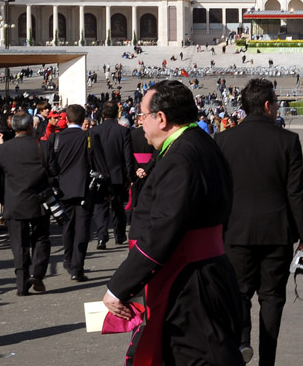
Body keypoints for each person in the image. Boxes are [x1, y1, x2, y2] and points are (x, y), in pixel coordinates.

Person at [103, 80, 245, 365]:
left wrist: (119, 287)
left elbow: (163, 230)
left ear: (162, 118)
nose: (140, 123)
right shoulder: (200, 143)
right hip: (204, 271)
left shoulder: (181, 155)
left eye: (143, 116)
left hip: (191, 283)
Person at [216, 78, 303, 365]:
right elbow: (295, 191)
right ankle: (267, 362)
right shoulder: (287, 140)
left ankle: (242, 342)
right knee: (272, 299)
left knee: (239, 295)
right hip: (276, 233)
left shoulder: (223, 140)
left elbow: (217, 190)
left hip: (235, 232)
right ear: (268, 105)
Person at [0, 112, 51, 296]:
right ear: (31, 127)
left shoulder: (3, 149)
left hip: (14, 201)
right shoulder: (43, 146)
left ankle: (22, 284)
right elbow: (54, 171)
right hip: (39, 200)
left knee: (19, 243)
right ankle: (37, 273)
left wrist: (1, 198)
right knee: (41, 238)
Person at [47, 104, 96, 282]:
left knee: (67, 227)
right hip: (84, 188)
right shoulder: (88, 137)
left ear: (66, 119)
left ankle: (68, 260)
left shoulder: (55, 138)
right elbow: (95, 162)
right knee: (82, 228)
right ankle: (77, 266)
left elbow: (51, 165)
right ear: (84, 120)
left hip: (62, 189)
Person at [90, 102, 134, 250]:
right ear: (117, 114)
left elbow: (91, 155)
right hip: (118, 175)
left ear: (103, 114)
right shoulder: (123, 131)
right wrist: (129, 176)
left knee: (100, 207)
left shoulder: (94, 131)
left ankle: (102, 237)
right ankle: (119, 235)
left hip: (99, 175)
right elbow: (127, 156)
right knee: (118, 206)